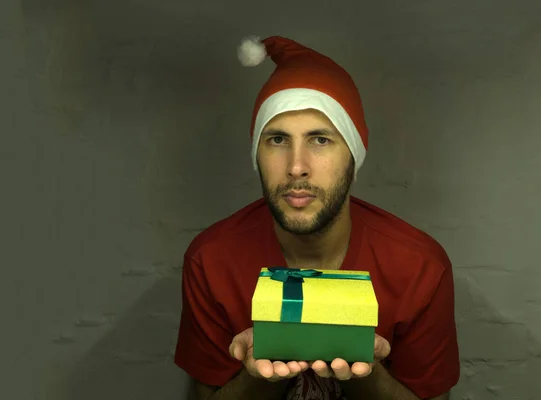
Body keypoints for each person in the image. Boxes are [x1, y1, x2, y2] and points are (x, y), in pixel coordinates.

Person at [174, 35, 460, 400]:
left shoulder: (419, 266)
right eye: (277, 140)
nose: (296, 167)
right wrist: (260, 370)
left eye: (320, 140)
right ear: (256, 153)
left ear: (353, 156)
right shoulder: (211, 260)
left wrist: (364, 369)